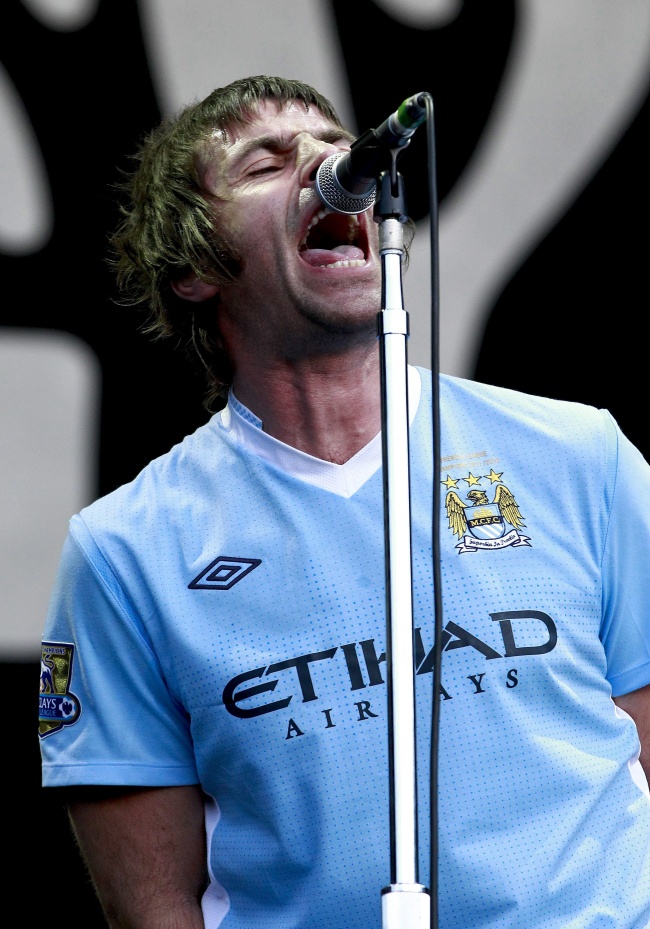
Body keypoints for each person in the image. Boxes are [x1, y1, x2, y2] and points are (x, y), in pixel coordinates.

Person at [39, 75, 650, 929]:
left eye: (331, 144)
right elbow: (154, 905)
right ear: (194, 270)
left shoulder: (579, 454)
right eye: (265, 164)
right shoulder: (125, 551)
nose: (325, 165)